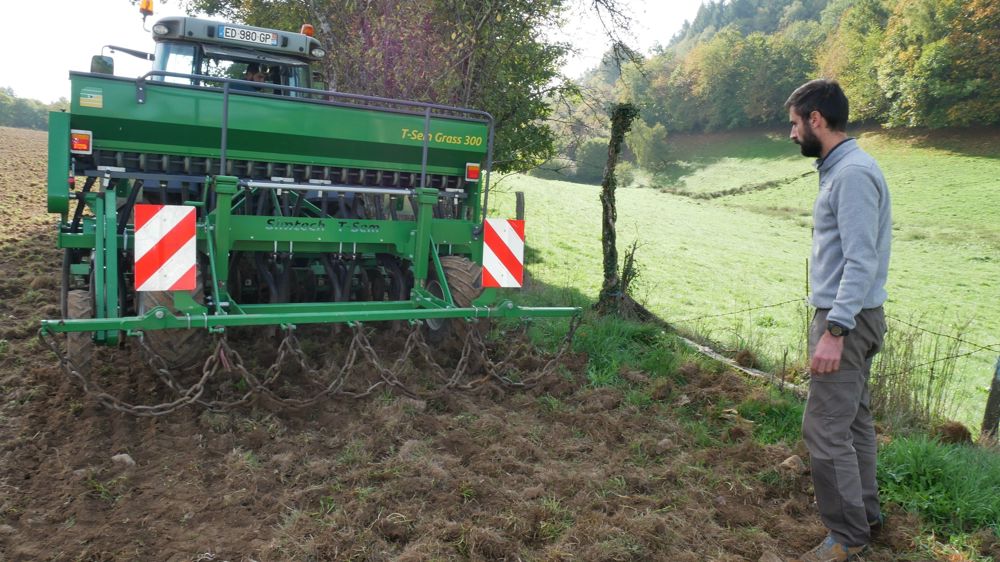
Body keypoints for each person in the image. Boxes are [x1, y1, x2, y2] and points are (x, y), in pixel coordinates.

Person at [785, 79, 892, 562]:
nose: (791, 134)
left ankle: (846, 538)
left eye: (794, 123)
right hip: (853, 316)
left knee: (825, 429)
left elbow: (861, 260)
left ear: (817, 120)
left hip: (844, 320)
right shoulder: (841, 169)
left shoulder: (850, 175)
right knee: (852, 423)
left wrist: (834, 330)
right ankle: (864, 513)